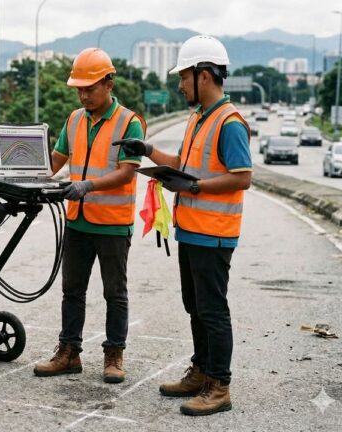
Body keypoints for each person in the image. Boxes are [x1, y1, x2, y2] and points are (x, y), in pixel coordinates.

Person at [113, 35, 251, 416]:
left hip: (215, 232)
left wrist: (196, 186)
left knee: (212, 309)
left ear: (204, 75)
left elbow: (242, 177)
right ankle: (201, 370)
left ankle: (219, 385)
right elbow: (184, 161)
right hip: (191, 229)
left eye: (184, 76)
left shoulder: (230, 123)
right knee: (195, 306)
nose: (179, 84)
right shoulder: (199, 118)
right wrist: (148, 152)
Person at [33, 48, 146, 384]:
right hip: (78, 222)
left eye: (90, 88)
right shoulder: (74, 119)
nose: (83, 95)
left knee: (115, 293)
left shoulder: (130, 122)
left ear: (108, 84)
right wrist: (28, 179)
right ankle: (69, 352)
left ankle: (114, 356)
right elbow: (55, 161)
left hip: (112, 224)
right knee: (72, 291)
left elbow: (128, 172)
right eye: (79, 89)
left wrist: (87, 185)